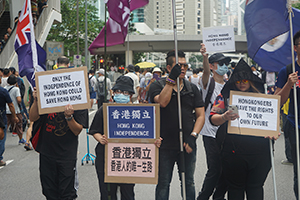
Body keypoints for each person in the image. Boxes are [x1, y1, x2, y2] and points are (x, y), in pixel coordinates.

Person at [89, 75, 162, 200]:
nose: (120, 94)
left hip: (129, 161)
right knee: (107, 194)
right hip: (106, 159)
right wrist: (100, 138)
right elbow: (95, 130)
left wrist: (155, 142)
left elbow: (148, 135)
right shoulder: (104, 110)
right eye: (117, 91)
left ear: (130, 94)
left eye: (124, 92)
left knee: (128, 194)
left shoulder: (139, 112)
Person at [210, 58, 274, 200]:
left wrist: (273, 133)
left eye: (244, 81)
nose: (241, 84)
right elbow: (213, 119)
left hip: (259, 153)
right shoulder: (225, 97)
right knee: (235, 188)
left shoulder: (263, 97)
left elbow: (272, 122)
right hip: (233, 153)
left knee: (255, 188)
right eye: (238, 81)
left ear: (250, 81)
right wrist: (224, 117)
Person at [29, 56, 88, 199]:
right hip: (47, 152)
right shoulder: (44, 92)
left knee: (67, 193)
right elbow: (32, 118)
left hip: (67, 155)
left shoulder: (78, 96)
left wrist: (69, 117)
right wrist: (36, 99)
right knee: (49, 192)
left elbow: (77, 130)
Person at [149, 50, 205, 200]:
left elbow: (200, 115)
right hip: (164, 145)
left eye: (185, 65)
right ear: (168, 68)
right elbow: (162, 102)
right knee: (163, 183)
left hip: (187, 144)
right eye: (178, 66)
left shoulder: (192, 88)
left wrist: (194, 136)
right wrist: (171, 80)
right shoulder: (157, 86)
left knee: (188, 183)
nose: (183, 69)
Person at [197, 44, 231, 200]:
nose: (225, 66)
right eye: (221, 63)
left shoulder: (229, 86)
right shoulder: (207, 83)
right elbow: (205, 72)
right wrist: (205, 56)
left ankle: (219, 197)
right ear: (212, 66)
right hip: (210, 133)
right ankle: (203, 197)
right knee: (215, 170)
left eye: (226, 63)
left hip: (226, 133)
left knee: (226, 169)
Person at [275, 30, 300, 199]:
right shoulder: (288, 70)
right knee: (299, 171)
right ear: (295, 48)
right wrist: (288, 85)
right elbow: (277, 101)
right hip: (295, 126)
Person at [0, 76, 19, 166]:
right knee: (1, 138)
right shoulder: (3, 91)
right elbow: (11, 105)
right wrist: (14, 116)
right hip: (1, 117)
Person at [5, 75, 25, 145]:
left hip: (6, 110)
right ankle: (21, 139)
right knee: (19, 124)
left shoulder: (5, 88)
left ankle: (2, 139)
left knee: (5, 125)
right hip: (15, 110)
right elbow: (19, 100)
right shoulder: (16, 89)